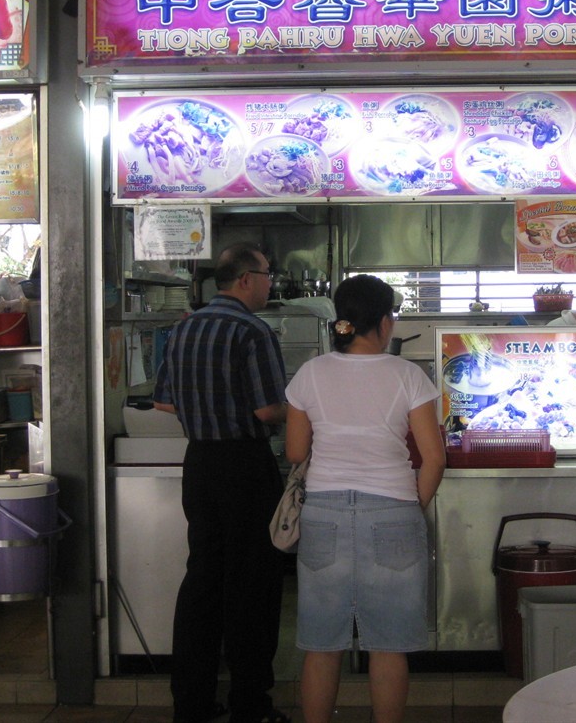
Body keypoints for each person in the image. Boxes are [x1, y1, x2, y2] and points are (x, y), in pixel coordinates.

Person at [284, 275, 446, 723]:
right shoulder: (408, 376)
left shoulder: (311, 373)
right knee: (388, 646)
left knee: (322, 645)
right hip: (392, 509)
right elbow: (433, 460)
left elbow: (296, 452)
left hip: (324, 514)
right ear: (385, 322)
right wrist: (411, 508)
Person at [153, 242, 291, 723]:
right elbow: (268, 409)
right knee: (252, 586)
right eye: (269, 273)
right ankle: (249, 705)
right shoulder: (253, 331)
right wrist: (304, 410)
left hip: (201, 466)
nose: (272, 282)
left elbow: (165, 403)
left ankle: (191, 703)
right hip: (245, 466)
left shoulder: (184, 327)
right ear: (246, 279)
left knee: (203, 582)